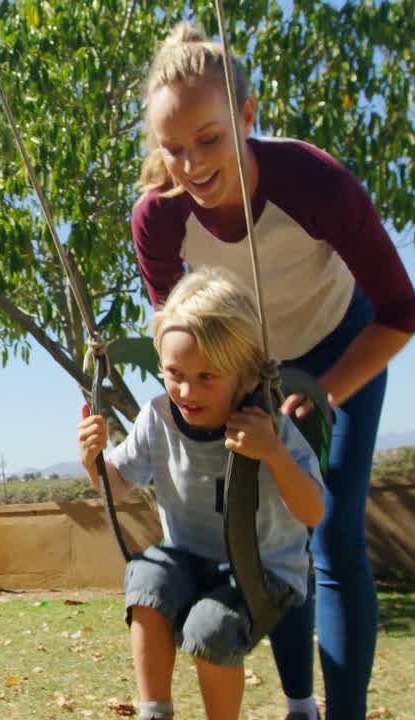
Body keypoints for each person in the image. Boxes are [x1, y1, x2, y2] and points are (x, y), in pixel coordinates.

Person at [130, 23, 415, 720]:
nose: (192, 164)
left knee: (331, 528)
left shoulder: (315, 183)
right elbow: (178, 332)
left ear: (248, 115)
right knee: (267, 533)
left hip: (342, 350)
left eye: (210, 139)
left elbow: (400, 313)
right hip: (253, 369)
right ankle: (300, 705)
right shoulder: (157, 221)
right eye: (173, 149)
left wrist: (322, 392)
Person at [79, 267, 325, 720]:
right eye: (175, 373)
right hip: (190, 564)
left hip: (264, 574)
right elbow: (118, 484)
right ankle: (155, 711)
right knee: (146, 579)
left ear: (245, 374)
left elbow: (312, 512)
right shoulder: (158, 417)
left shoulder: (267, 424)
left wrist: (273, 453)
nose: (187, 391)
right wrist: (95, 460)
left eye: (207, 376)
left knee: (210, 628)